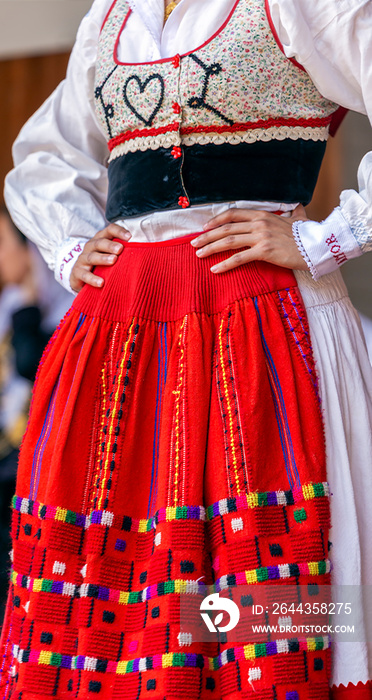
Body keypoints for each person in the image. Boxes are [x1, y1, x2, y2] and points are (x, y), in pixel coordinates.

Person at [0, 0, 371, 697]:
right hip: (128, 337)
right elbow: (42, 156)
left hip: (264, 322)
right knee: (128, 595)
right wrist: (73, 244)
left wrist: (326, 237)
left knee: (270, 592)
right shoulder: (110, 17)